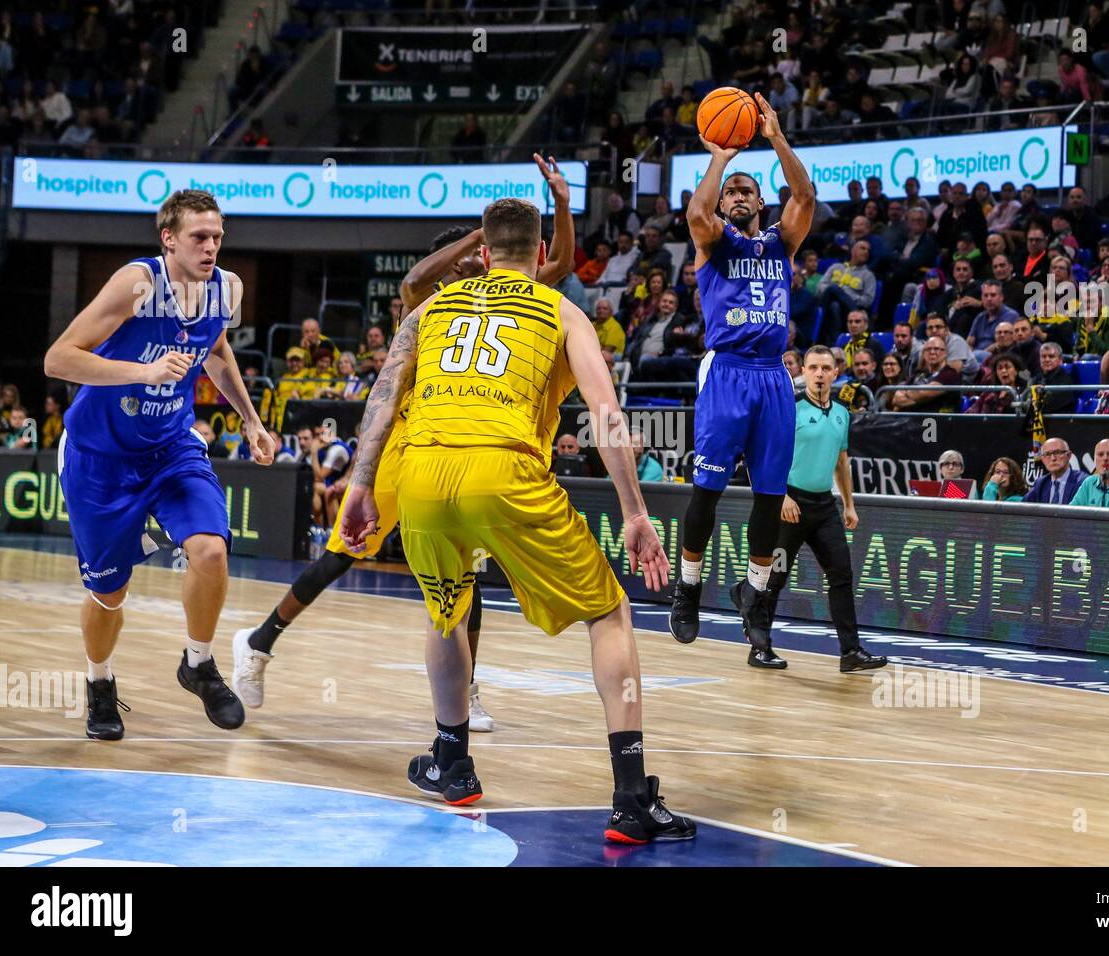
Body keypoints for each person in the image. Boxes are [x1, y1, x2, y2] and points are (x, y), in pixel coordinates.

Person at [339, 196, 693, 844]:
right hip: (503, 472)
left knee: (446, 610)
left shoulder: (430, 308)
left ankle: (453, 761)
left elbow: (382, 397)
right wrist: (635, 512)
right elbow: (607, 412)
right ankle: (630, 799)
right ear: (538, 254)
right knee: (608, 612)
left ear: (481, 255)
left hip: (420, 476)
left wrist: (360, 486)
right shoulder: (561, 309)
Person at [230, 158, 576, 733]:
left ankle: (467, 692)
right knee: (341, 556)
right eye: (469, 264)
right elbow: (413, 281)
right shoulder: (428, 305)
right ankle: (260, 642)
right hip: (400, 446)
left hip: (459, 448)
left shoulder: (514, 299)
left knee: (467, 572)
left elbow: (559, 262)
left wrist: (559, 206)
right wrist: (475, 238)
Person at [44, 190, 274, 740]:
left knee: (211, 550)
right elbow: (58, 359)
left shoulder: (225, 288)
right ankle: (100, 683)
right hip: (101, 456)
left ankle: (197, 663)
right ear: (168, 238)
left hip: (170, 447)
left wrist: (250, 418)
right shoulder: (137, 284)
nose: (212, 246)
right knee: (109, 593)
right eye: (199, 236)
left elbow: (216, 351)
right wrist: (141, 373)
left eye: (218, 236)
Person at [669, 92, 814, 659]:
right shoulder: (713, 242)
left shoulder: (781, 242)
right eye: (730, 192)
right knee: (706, 491)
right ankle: (687, 587)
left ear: (759, 202)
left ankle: (753, 597)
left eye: (745, 192)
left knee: (768, 498)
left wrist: (775, 137)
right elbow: (695, 214)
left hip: (774, 377)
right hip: (728, 373)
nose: (734, 197)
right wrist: (721, 158)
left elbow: (804, 195)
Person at [757, 346, 888, 672]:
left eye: (824, 368)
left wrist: (849, 504)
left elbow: (841, 462)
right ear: (803, 371)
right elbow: (766, 455)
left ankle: (850, 652)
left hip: (824, 506)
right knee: (774, 578)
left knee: (841, 574)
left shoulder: (843, 413)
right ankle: (760, 648)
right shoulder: (791, 408)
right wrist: (781, 497)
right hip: (791, 504)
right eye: (812, 367)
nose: (818, 374)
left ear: (834, 373)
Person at [893, 337, 961, 412]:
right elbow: (896, 399)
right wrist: (918, 397)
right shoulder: (918, 373)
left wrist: (907, 396)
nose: (932, 352)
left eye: (936, 349)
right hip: (911, 419)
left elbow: (924, 393)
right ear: (923, 353)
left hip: (935, 421)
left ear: (945, 353)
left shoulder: (950, 374)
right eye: (928, 349)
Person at [1022, 437, 1086, 504]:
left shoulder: (1083, 482)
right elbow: (1021, 508)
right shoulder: (1041, 483)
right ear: (1042, 459)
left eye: (1057, 452)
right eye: (1047, 454)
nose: (1053, 458)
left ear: (1069, 455)